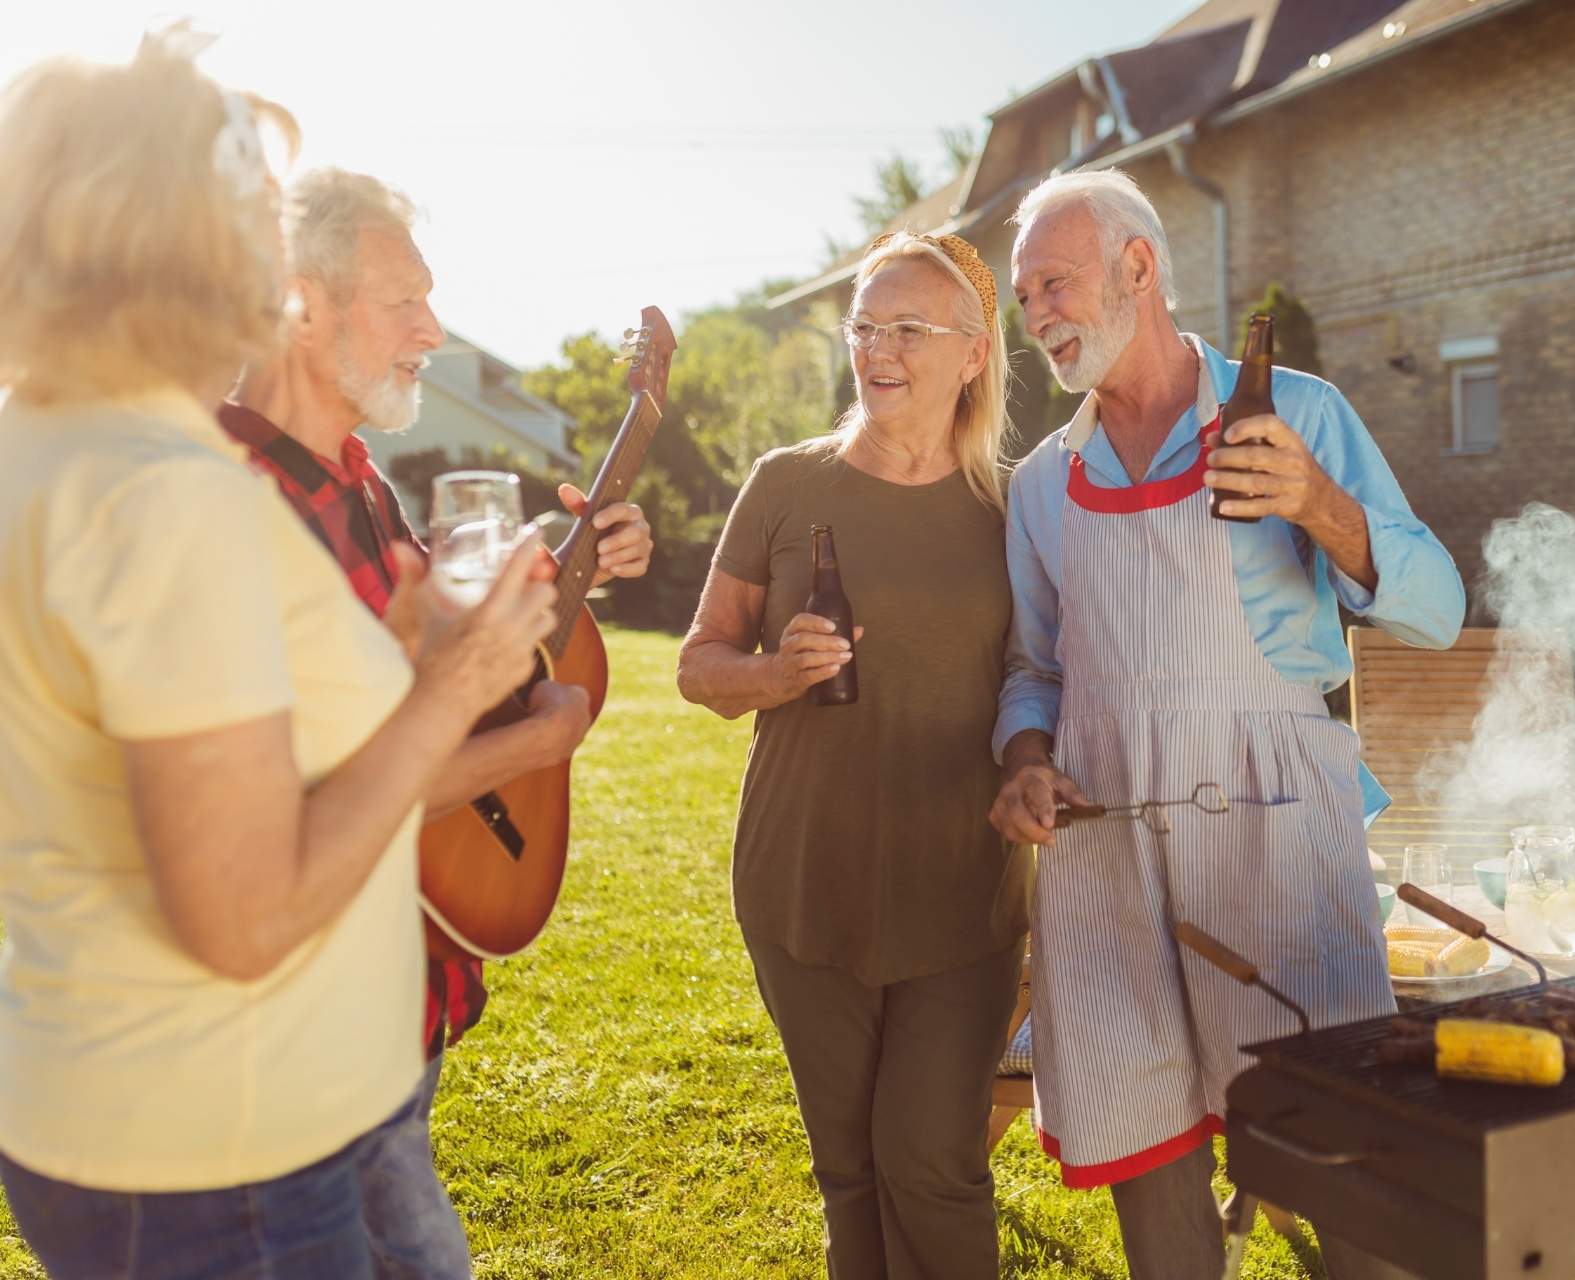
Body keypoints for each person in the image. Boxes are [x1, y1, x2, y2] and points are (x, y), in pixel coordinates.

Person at [0, 34, 556, 1280]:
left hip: (125, 1116)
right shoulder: (166, 490)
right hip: (224, 1156)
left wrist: (403, 659)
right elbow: (244, 916)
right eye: (255, 213)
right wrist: (457, 688)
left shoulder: (48, 437)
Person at [987, 169, 1465, 1279]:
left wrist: (1320, 506)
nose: (1038, 316)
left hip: (1276, 851)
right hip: (1103, 861)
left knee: (1343, 1180)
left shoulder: (1293, 413)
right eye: (1025, 300)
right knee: (1156, 1204)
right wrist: (1023, 757)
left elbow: (1438, 606)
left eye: (1054, 283)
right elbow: (1032, 669)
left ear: (1138, 267)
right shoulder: (1043, 483)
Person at [217, 165, 653, 1276]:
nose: (435, 327)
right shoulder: (224, 504)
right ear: (304, 303)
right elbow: (294, 811)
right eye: (405, 298)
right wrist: (533, 743)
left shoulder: (357, 482)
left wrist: (572, 581)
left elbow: (429, 689)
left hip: (388, 1001)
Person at [677, 231, 1026, 1279]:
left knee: (936, 1162)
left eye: (908, 328)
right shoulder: (788, 485)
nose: (878, 347)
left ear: (973, 352)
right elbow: (699, 664)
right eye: (864, 326)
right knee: (851, 1172)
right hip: (803, 880)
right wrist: (774, 673)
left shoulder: (1013, 508)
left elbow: (1043, 676)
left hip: (960, 890)